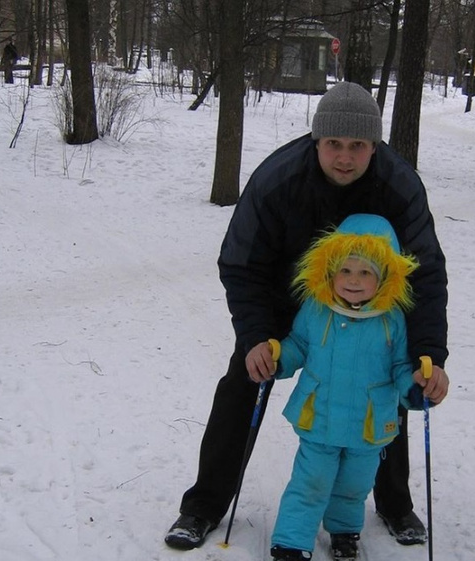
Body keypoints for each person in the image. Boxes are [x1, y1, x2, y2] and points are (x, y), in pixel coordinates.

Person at [165, 81, 450, 551]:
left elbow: (427, 276)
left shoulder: (398, 187)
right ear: (316, 140)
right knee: (243, 382)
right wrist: (257, 336)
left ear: (374, 146)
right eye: (333, 144)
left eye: (357, 145)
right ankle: (203, 506)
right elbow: (241, 263)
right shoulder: (278, 179)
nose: (344, 157)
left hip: (369, 301)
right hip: (284, 299)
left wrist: (428, 354)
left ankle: (395, 503)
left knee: (388, 383)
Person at [263, 213, 433, 561]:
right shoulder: (316, 309)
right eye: (345, 270)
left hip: (368, 424)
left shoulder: (391, 319)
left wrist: (413, 387)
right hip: (320, 418)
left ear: (384, 277)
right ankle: (292, 542)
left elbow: (401, 365)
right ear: (330, 270)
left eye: (365, 272)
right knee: (310, 483)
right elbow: (299, 344)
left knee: (354, 486)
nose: (353, 281)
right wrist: (279, 359)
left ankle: (343, 530)